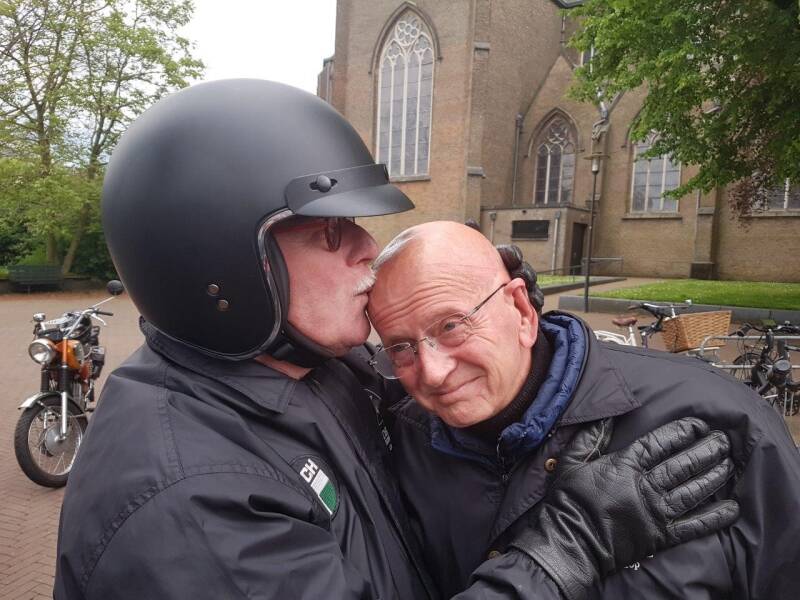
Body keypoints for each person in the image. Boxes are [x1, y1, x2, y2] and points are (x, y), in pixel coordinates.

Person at [54, 80, 735, 600]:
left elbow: (408, 390)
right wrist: (568, 549)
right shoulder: (192, 502)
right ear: (224, 268)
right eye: (330, 232)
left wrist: (485, 311)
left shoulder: (303, 368)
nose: (366, 249)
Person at [366, 220, 800, 600]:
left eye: (452, 326)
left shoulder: (718, 417)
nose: (433, 372)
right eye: (400, 347)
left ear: (521, 310)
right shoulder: (405, 445)